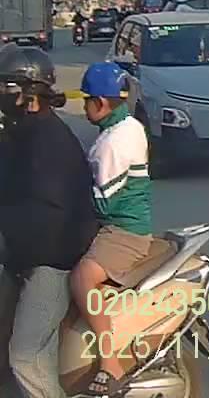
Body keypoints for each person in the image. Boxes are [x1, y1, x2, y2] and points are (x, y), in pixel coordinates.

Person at [0, 46, 98, 398]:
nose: (1, 93)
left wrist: (11, 242)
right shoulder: (21, 131)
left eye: (6, 86)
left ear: (28, 94)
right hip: (22, 256)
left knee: (25, 356)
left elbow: (47, 218)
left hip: (51, 263)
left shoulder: (50, 143)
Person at [69, 62, 152, 396]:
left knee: (82, 278)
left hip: (124, 231)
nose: (84, 107)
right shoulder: (127, 126)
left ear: (100, 103)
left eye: (87, 100)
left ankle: (110, 364)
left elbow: (101, 202)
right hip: (118, 223)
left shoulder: (113, 143)